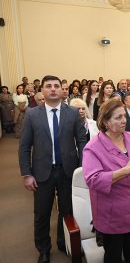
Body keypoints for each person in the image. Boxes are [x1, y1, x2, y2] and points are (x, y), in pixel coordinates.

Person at [19, 75, 86, 263]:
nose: (53, 89)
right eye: (48, 86)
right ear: (42, 91)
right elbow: (24, 147)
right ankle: (44, 249)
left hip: (68, 171)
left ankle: (64, 242)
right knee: (42, 213)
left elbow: (81, 141)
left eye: (57, 86)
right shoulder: (32, 114)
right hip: (41, 172)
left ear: (62, 90)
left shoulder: (73, 112)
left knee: (67, 211)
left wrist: (81, 168)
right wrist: (27, 174)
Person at [82, 99, 130, 263]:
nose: (124, 120)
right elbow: (93, 179)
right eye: (118, 117)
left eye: (124, 116)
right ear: (105, 121)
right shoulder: (93, 147)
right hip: (114, 213)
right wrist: (125, 171)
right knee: (113, 256)